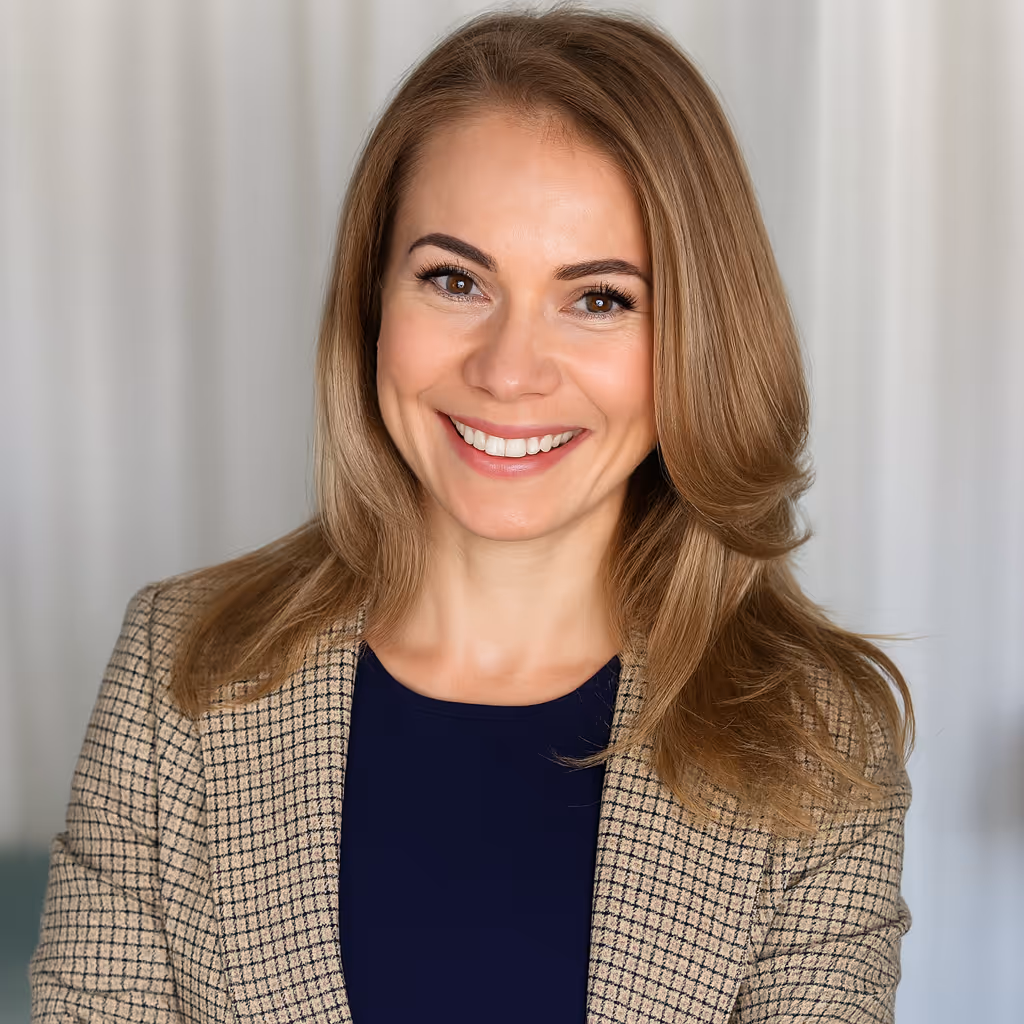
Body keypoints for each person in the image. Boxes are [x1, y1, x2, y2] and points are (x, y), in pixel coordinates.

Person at [30, 5, 914, 1022]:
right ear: (372, 305)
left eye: (599, 299)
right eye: (454, 280)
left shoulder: (812, 733)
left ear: (696, 346)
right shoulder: (177, 670)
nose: (506, 371)